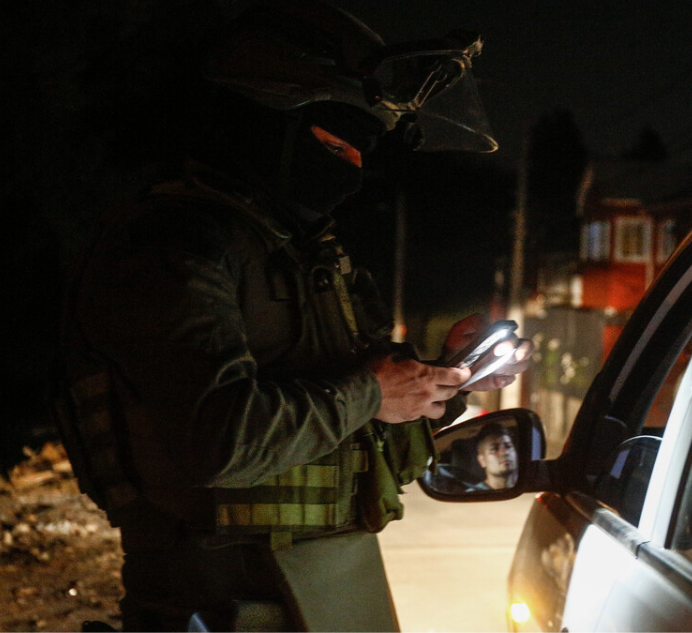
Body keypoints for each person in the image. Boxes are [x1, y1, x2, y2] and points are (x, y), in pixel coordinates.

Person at [52, 1, 531, 630]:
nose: (351, 168)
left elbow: (366, 441)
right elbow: (215, 441)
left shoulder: (305, 253)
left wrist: (447, 378)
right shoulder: (173, 245)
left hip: (333, 597)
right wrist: (370, 393)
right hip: (222, 603)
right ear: (262, 121)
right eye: (335, 141)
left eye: (363, 150)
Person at [465, 423, 519, 491]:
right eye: (494, 449)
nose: (505, 452)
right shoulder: (473, 495)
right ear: (482, 461)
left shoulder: (527, 488)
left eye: (508, 446)